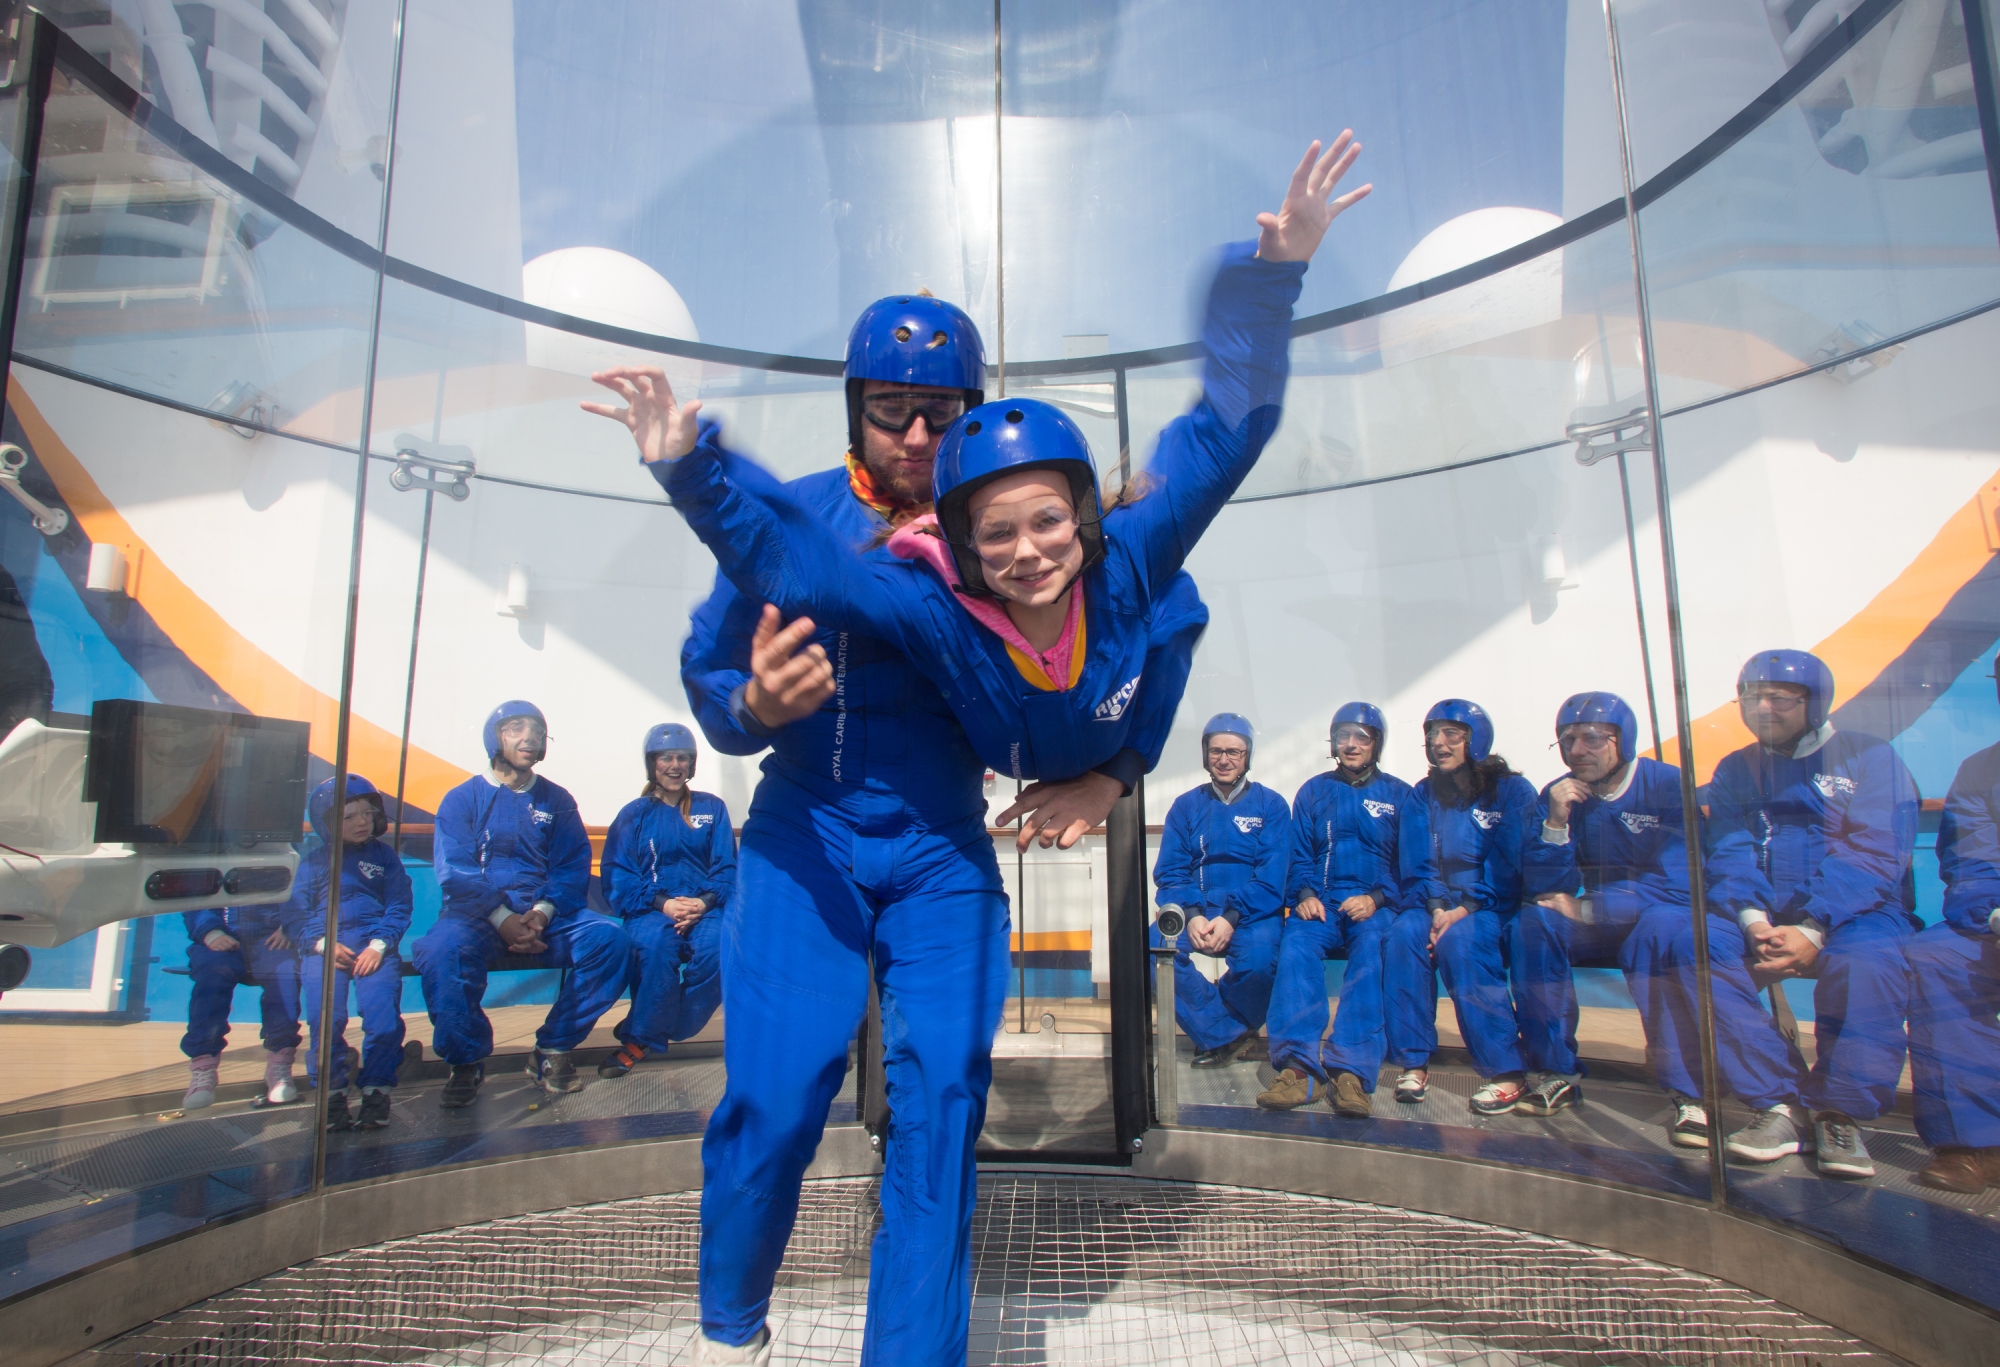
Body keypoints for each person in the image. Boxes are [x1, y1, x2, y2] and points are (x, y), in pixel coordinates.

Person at [586, 136, 1368, 1366]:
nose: (909, 433)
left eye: (937, 413)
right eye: (887, 410)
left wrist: (1111, 771)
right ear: (855, 409)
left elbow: (1157, 610)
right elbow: (718, 668)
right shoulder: (808, 516)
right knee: (777, 1099)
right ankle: (729, 1321)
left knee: (942, 1106)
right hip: (803, 835)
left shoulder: (988, 539)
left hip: (944, 842)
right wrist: (751, 701)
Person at [1698, 649, 1919, 1178]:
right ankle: (1780, 1103)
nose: (1762, 708)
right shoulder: (1736, 767)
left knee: (1868, 962)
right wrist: (1753, 922)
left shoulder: (1869, 757)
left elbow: (1874, 854)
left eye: (1779, 697)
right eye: (1751, 696)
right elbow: (1730, 849)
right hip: (1765, 914)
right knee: (1694, 946)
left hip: (1858, 912)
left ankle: (1838, 1112)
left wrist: (1812, 928)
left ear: (1813, 702)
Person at [412, 701, 631, 1105]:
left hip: (544, 917)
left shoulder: (558, 801)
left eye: (535, 730)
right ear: (494, 737)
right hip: (475, 918)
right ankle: (466, 1061)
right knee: (439, 951)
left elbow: (570, 866)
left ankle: (552, 1050)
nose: (528, 737)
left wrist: (541, 915)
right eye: (514, 728)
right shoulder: (461, 799)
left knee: (611, 942)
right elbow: (456, 871)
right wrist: (501, 918)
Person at [1512, 693, 1690, 1122]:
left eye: (1591, 739)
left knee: (1663, 930)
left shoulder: (1667, 786)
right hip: (1593, 922)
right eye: (1567, 740)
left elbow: (1678, 883)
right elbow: (1542, 888)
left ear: (1621, 739)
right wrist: (1555, 822)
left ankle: (1690, 1093)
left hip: (1649, 914)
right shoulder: (1558, 794)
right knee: (1532, 924)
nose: (1577, 751)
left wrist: (1592, 909)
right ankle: (1556, 1072)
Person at [1260, 702, 1419, 1117]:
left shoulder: (1401, 796)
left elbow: (1411, 864)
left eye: (1360, 737)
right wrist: (1306, 894)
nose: (1350, 745)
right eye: (1343, 736)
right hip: (1324, 902)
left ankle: (1351, 1072)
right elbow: (1299, 856)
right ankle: (1299, 1070)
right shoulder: (1314, 791)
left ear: (1377, 744)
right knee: (1295, 944)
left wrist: (1377, 900)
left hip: (1374, 904)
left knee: (1371, 951)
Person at [1383, 699, 1538, 1114]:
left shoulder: (1512, 791)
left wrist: (1465, 908)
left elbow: (1510, 864)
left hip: (1491, 905)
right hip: (1434, 902)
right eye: (1432, 735)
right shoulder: (1422, 793)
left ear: (1476, 739)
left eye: (1452, 734)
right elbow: (1416, 861)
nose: (1439, 743)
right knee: (1402, 935)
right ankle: (1412, 1063)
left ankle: (1505, 1072)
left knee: (1461, 943)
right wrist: (1436, 908)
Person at [1151, 713, 1292, 1067]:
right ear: (1205, 755)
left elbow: (1272, 876)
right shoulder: (1186, 806)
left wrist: (1231, 918)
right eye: (1216, 751)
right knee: (1153, 949)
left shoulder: (1271, 805)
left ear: (1247, 757)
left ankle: (1219, 1029)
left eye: (1234, 752)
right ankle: (1226, 1033)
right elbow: (1171, 872)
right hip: (1196, 909)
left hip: (1251, 912)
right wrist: (1194, 916)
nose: (1225, 759)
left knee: (1262, 963)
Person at [598, 723, 735, 1079]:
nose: (675, 765)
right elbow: (620, 876)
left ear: (692, 765)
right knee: (656, 947)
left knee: (721, 949)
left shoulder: (712, 808)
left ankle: (650, 1031)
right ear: (651, 763)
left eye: (683, 758)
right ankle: (641, 1039)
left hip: (705, 910)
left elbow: (726, 868)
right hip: (652, 911)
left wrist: (703, 903)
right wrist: (664, 904)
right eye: (666, 757)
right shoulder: (633, 815)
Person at [1906, 676, 2000, 1192]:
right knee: (1936, 957)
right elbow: (1971, 863)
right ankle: (1976, 1144)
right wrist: (1995, 915)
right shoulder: (1982, 769)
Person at [282, 775, 412, 1131]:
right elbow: (295, 913)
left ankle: (376, 1091)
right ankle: (332, 1094)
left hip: (373, 949)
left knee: (382, 1018)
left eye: (367, 814)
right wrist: (323, 944)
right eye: (349, 816)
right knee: (327, 1021)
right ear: (327, 824)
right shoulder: (313, 863)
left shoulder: (385, 858)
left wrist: (379, 946)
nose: (362, 822)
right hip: (324, 951)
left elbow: (399, 905)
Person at [178, 901, 301, 1111]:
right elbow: (197, 897)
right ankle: (204, 1065)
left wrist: (288, 927)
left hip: (270, 937)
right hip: (222, 933)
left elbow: (300, 893)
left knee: (286, 972)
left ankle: (280, 1064)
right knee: (212, 975)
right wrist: (211, 933)